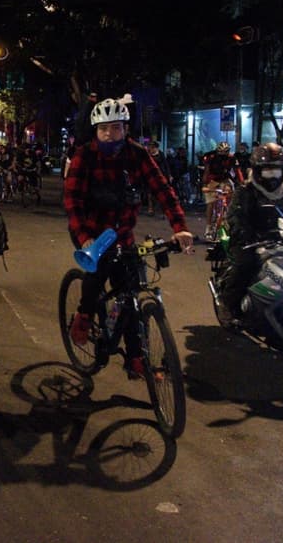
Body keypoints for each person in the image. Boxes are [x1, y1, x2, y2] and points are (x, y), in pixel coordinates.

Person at [64, 98, 194, 378]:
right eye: (104, 129)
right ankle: (84, 316)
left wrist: (179, 227)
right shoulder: (84, 155)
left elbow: (162, 188)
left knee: (131, 294)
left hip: (122, 234)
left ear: (126, 129)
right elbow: (72, 201)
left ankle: (136, 358)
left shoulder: (136, 154)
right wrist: (84, 237)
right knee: (97, 274)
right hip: (91, 233)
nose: (111, 134)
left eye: (117, 128)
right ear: (95, 130)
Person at [218, 143, 283, 319]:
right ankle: (228, 304)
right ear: (257, 170)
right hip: (250, 239)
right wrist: (245, 233)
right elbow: (236, 216)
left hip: (282, 237)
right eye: (268, 171)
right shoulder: (246, 190)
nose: (272, 176)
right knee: (245, 265)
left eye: (276, 171)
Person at [201, 142, 243, 239]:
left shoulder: (232, 158)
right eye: (221, 153)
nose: (223, 156)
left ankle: (227, 218)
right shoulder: (211, 157)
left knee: (230, 195)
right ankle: (208, 227)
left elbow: (238, 171)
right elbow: (206, 172)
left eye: (225, 153)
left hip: (225, 179)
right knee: (211, 202)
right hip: (212, 179)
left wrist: (242, 183)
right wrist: (204, 185)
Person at [144, 140, 172, 216]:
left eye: (153, 147)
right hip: (151, 176)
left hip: (160, 175)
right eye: (150, 147)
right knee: (150, 193)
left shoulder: (161, 154)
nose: (151, 149)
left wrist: (169, 175)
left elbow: (166, 165)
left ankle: (162, 209)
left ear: (156, 148)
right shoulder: (148, 155)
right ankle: (150, 209)